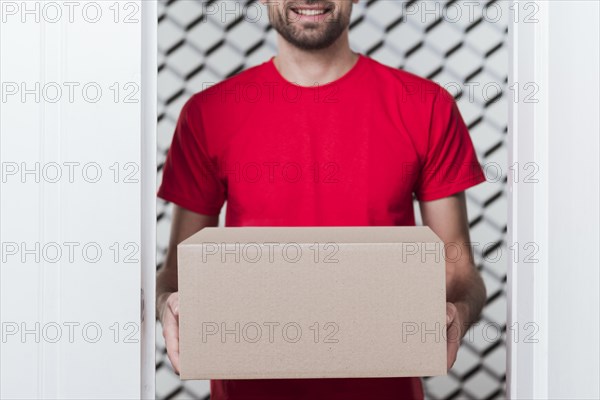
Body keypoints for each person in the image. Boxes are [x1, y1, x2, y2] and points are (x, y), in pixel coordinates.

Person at [156, 0, 487, 398]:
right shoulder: (208, 114)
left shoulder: (426, 107)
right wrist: (167, 306)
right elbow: (178, 273)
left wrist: (458, 312)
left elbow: (458, 272)